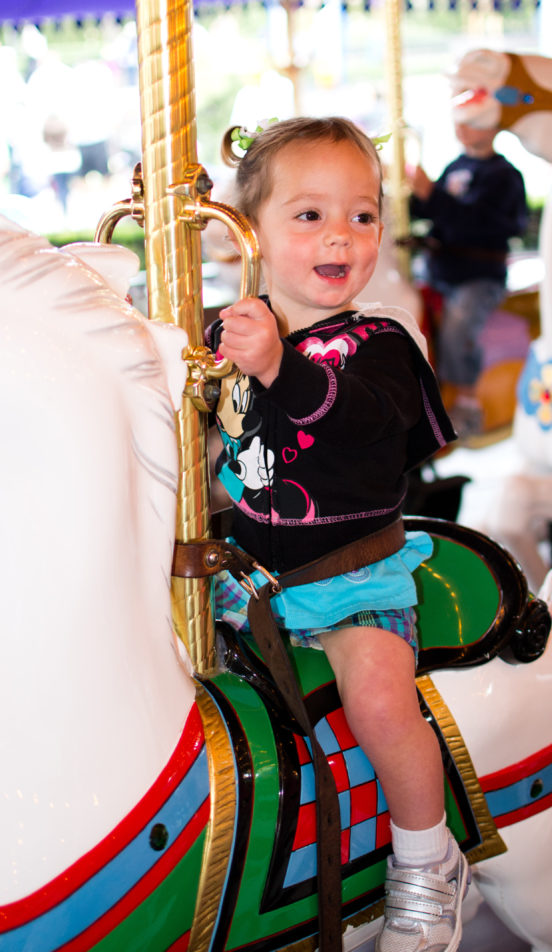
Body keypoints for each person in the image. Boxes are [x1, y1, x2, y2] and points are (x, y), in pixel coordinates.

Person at [206, 116, 468, 952]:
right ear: (251, 234)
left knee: (381, 701)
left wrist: (280, 366)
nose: (341, 236)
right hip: (245, 578)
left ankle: (427, 863)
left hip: (355, 580)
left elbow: (359, 423)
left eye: (362, 215)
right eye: (309, 214)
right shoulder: (227, 334)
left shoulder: (378, 342)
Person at [407, 120, 529, 439]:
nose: (462, 127)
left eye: (473, 122)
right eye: (460, 120)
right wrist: (417, 197)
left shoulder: (505, 176)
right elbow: (433, 212)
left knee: (459, 325)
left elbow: (478, 223)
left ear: (491, 128)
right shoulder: (456, 166)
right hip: (442, 268)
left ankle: (467, 405)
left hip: (479, 274)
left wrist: (432, 194)